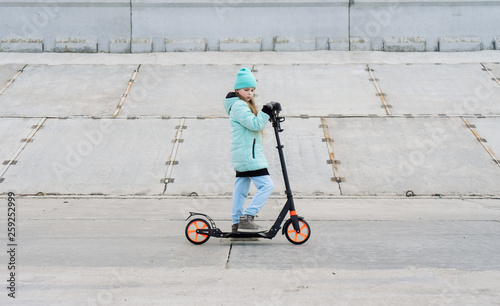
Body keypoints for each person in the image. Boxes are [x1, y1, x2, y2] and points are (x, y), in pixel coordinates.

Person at [223, 68, 277, 232]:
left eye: (252, 90)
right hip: (249, 157)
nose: (249, 93)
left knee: (241, 189)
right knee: (267, 185)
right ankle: (248, 217)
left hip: (244, 155)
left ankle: (236, 222)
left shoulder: (240, 105)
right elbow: (255, 124)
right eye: (246, 90)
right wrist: (266, 111)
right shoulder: (239, 106)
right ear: (237, 90)